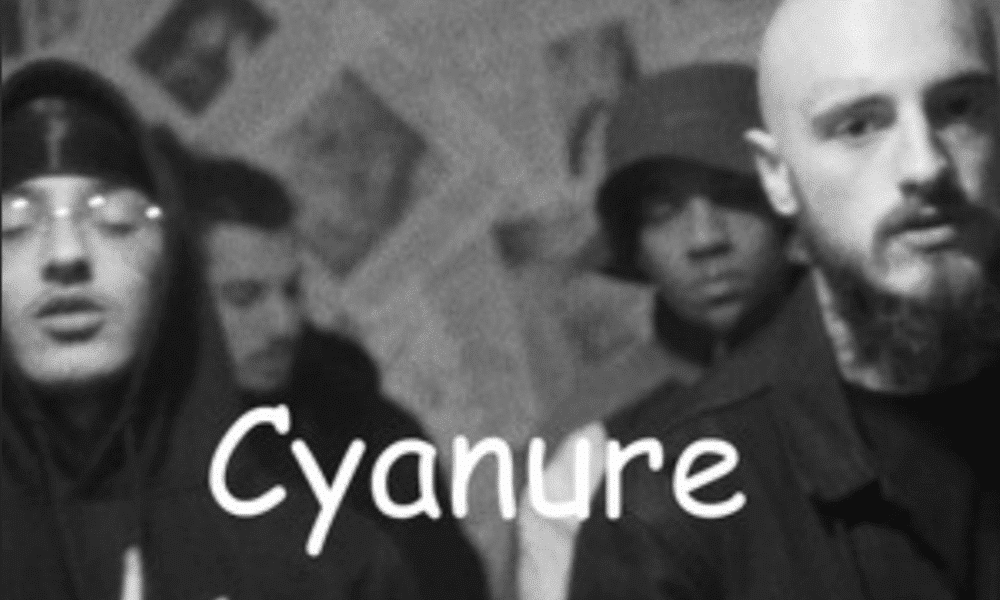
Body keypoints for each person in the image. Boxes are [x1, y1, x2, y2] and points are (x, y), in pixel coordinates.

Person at [567, 0, 1000, 597]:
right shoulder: (667, 507)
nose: (926, 165)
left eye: (958, 108)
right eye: (859, 126)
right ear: (776, 176)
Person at [1, 58, 421, 600]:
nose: (66, 252)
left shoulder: (328, 563)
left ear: (172, 267)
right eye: (13, 223)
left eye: (115, 219)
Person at [517, 63, 799, 600]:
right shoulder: (586, 451)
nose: (705, 238)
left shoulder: (890, 373)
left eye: (733, 193)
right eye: (663, 210)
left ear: (785, 200)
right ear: (632, 245)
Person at [182, 153, 491, 600]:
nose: (283, 323)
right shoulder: (126, 455)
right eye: (244, 297)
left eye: (292, 290)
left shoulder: (373, 439)